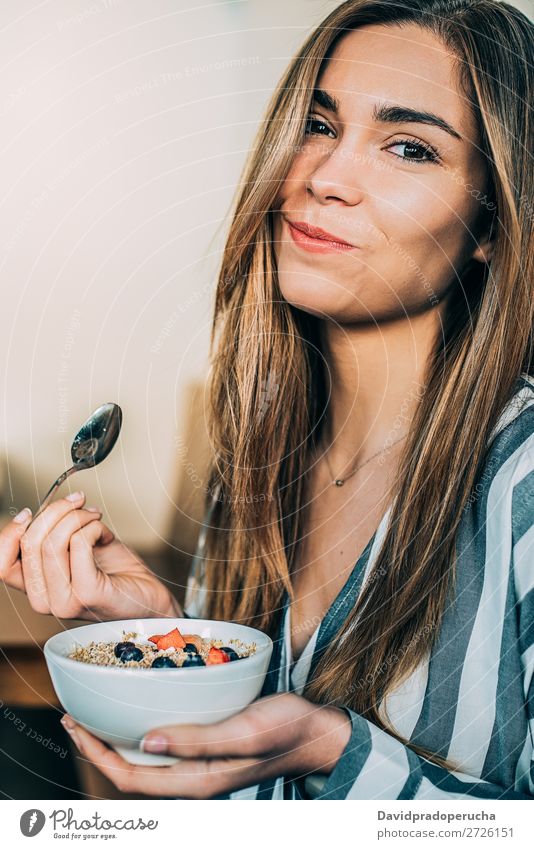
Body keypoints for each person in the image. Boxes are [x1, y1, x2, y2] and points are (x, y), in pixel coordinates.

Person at [1, 0, 532, 800]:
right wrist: (161, 645)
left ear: (492, 219)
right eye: (319, 125)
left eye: (408, 147)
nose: (323, 177)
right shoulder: (251, 463)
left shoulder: (521, 478)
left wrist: (329, 747)